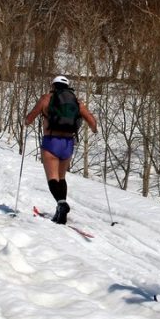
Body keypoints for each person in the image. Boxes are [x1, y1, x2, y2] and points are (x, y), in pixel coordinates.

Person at [24, 75, 98, 224]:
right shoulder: (77, 102)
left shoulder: (46, 98)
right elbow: (93, 123)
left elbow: (29, 119)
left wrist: (27, 121)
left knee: (52, 178)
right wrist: (94, 129)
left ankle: (61, 204)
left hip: (51, 141)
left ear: (53, 86)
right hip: (68, 144)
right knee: (62, 177)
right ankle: (60, 209)